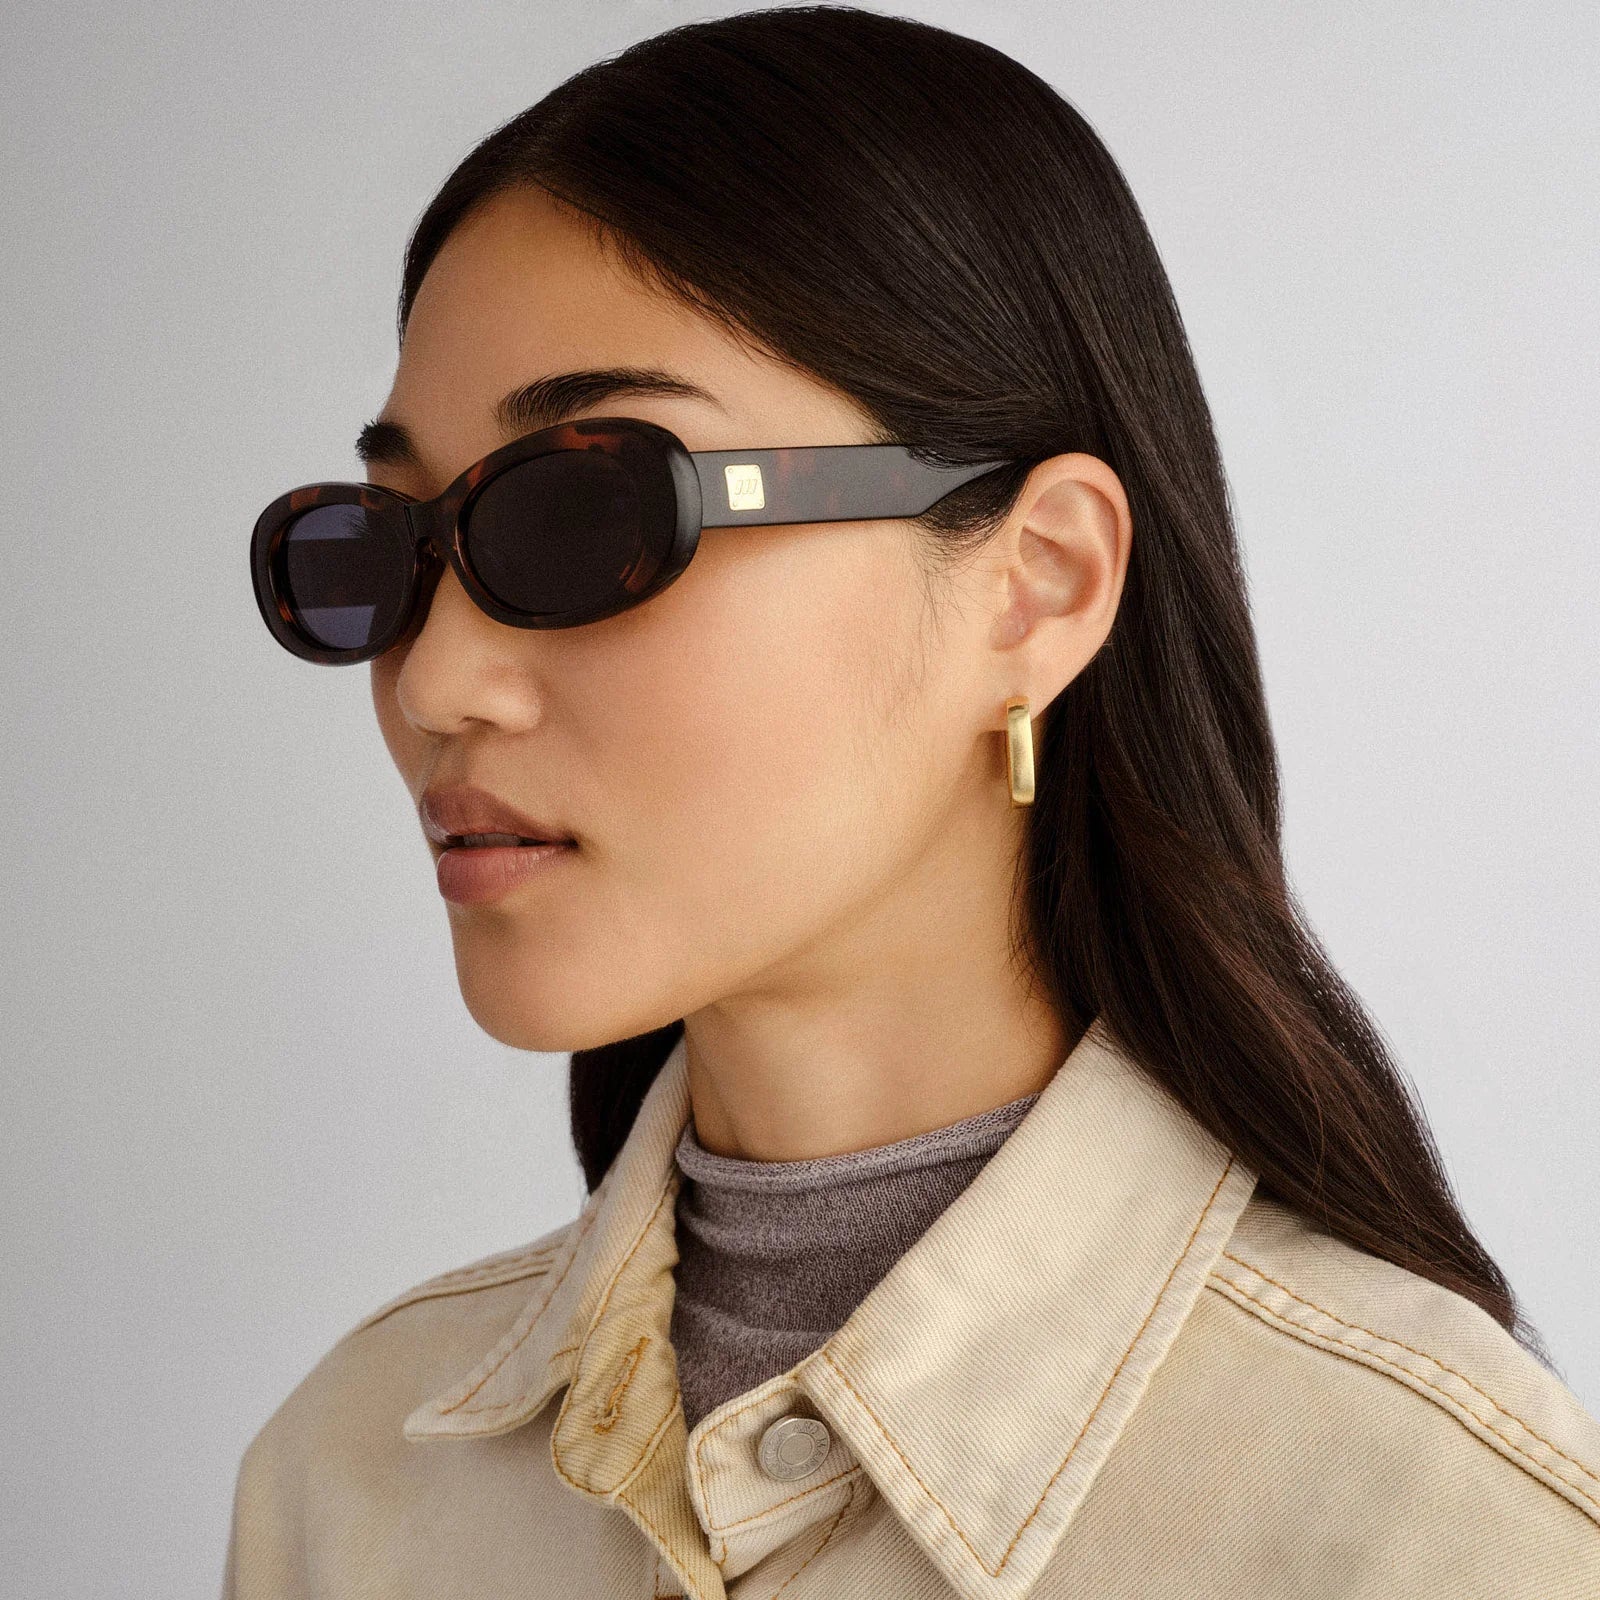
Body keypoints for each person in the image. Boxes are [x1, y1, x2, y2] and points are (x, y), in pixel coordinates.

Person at [227, 7, 1600, 1596]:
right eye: (383, 547)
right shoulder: (352, 1482)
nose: (435, 681)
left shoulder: (1430, 1529)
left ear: (1038, 583)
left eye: (591, 514)